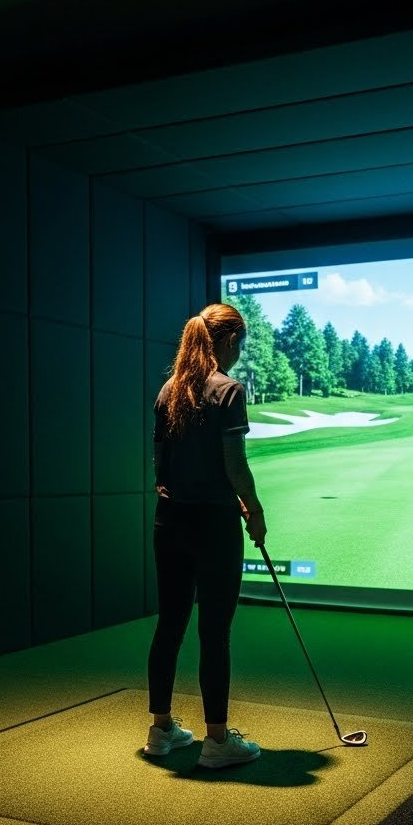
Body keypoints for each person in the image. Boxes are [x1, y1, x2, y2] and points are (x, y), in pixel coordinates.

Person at [144, 302, 267, 767]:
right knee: (214, 633)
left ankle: (161, 730)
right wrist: (252, 509)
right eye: (241, 342)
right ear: (230, 340)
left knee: (170, 624)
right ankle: (217, 741)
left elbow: (161, 466)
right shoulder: (228, 390)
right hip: (214, 527)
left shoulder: (168, 390)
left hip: (169, 522)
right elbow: (236, 464)